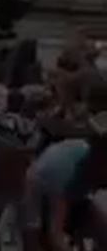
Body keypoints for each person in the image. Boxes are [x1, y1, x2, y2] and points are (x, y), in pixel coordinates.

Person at [23, 82, 107, 251]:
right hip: (38, 200)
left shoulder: (92, 158)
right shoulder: (63, 166)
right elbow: (55, 233)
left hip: (77, 197)